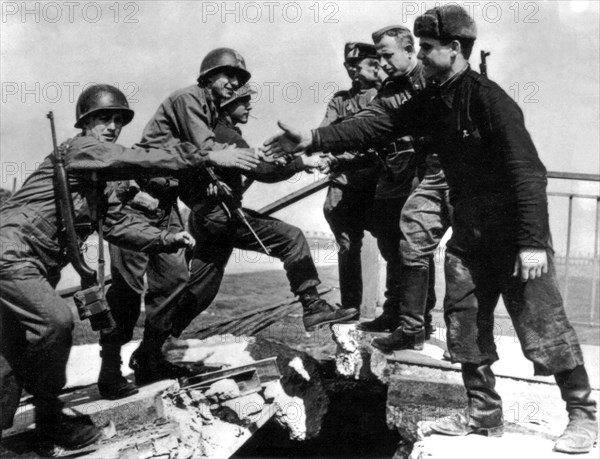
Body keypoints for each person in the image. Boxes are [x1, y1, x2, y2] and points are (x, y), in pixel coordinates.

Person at [263, 5, 597, 454]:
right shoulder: (434, 98)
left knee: (542, 324)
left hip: (511, 234)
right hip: (469, 233)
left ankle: (582, 417)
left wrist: (533, 244)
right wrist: (315, 138)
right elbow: (379, 123)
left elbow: (528, 173)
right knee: (464, 324)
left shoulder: (489, 99)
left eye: (426, 47)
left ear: (454, 49)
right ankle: (483, 413)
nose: (419, 54)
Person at [0, 84, 258, 448]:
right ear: (85, 123)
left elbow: (119, 226)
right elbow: (137, 159)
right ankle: (50, 418)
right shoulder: (81, 149)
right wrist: (205, 157)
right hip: (12, 249)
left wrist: (167, 239)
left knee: (11, 346)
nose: (112, 126)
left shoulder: (98, 185)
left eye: (118, 120)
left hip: (32, 261)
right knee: (55, 320)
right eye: (103, 118)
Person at [139, 48, 359, 338]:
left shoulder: (215, 124)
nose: (247, 106)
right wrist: (297, 162)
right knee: (291, 238)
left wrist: (269, 160)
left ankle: (153, 347)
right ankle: (313, 306)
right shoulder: (212, 122)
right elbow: (256, 169)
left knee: (200, 290)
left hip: (204, 215)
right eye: (241, 99)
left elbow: (233, 162)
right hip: (211, 215)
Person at [356, 26, 450, 353]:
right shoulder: (390, 87)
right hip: (395, 174)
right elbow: (372, 122)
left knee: (417, 242)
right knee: (389, 241)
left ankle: (419, 320)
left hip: (427, 174)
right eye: (378, 57)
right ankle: (394, 311)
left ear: (410, 50)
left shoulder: (434, 77)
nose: (381, 63)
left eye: (387, 55)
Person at [319, 42, 381, 312]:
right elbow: (323, 132)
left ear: (375, 65)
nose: (353, 70)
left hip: (378, 180)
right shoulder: (340, 100)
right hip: (346, 179)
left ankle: (403, 313)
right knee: (346, 242)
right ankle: (351, 306)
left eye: (358, 65)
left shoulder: (384, 96)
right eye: (348, 66)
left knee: (393, 242)